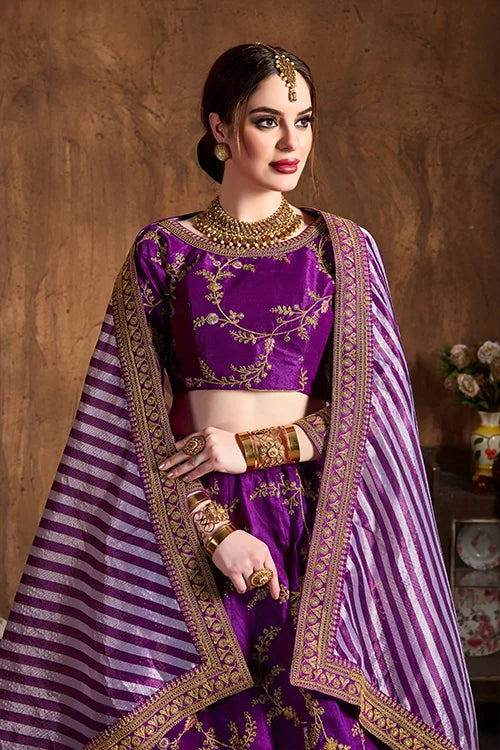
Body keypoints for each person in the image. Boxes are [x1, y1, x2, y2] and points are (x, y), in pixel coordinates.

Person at [0, 43, 477, 750]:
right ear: (220, 128)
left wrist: (250, 449)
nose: (291, 143)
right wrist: (216, 533)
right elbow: (126, 420)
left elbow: (373, 411)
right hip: (187, 515)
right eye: (267, 120)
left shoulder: (342, 250)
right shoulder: (164, 251)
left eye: (303, 120)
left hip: (317, 523)